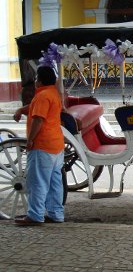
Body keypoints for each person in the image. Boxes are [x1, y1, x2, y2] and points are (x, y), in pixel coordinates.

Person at [13, 66, 65, 225]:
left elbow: (38, 119)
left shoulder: (42, 96)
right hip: (57, 145)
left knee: (38, 182)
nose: (35, 81)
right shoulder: (53, 94)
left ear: (40, 80)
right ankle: (56, 214)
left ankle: (35, 215)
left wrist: (30, 139)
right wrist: (22, 110)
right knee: (55, 182)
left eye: (36, 78)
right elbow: (35, 109)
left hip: (43, 145)